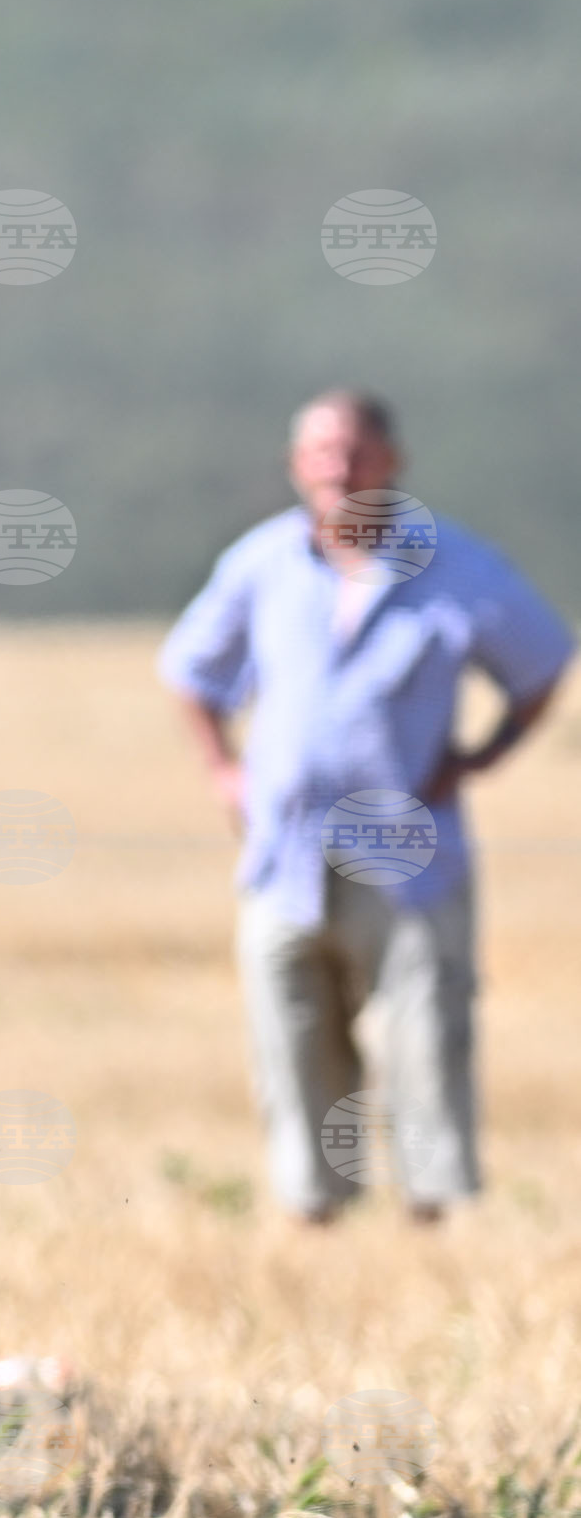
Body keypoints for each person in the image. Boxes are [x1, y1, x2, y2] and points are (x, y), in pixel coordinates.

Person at [161, 388, 571, 1223]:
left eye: (355, 453)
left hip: (408, 855)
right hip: (284, 852)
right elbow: (191, 671)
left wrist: (479, 758)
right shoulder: (263, 563)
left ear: (391, 463)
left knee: (422, 1035)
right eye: (320, 454)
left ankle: (435, 1214)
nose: (339, 470)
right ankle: (312, 1210)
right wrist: (223, 771)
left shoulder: (456, 566)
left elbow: (540, 665)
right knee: (292, 1035)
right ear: (296, 468)